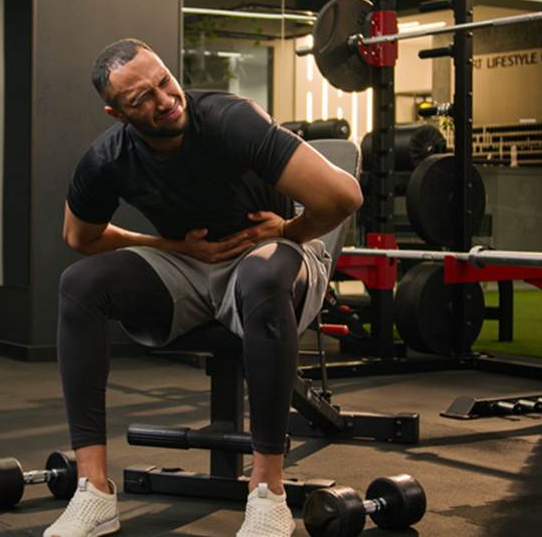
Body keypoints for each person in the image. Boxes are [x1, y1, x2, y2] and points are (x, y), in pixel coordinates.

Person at [44, 38, 362, 537]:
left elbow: (344, 195)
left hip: (275, 257)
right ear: (117, 114)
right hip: (191, 269)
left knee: (261, 275)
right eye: (142, 99)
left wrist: (286, 229)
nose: (165, 100)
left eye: (164, 81)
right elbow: (79, 237)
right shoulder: (108, 158)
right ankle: (94, 492)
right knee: (79, 284)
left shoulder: (230, 120)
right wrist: (169, 245)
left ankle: (268, 494)